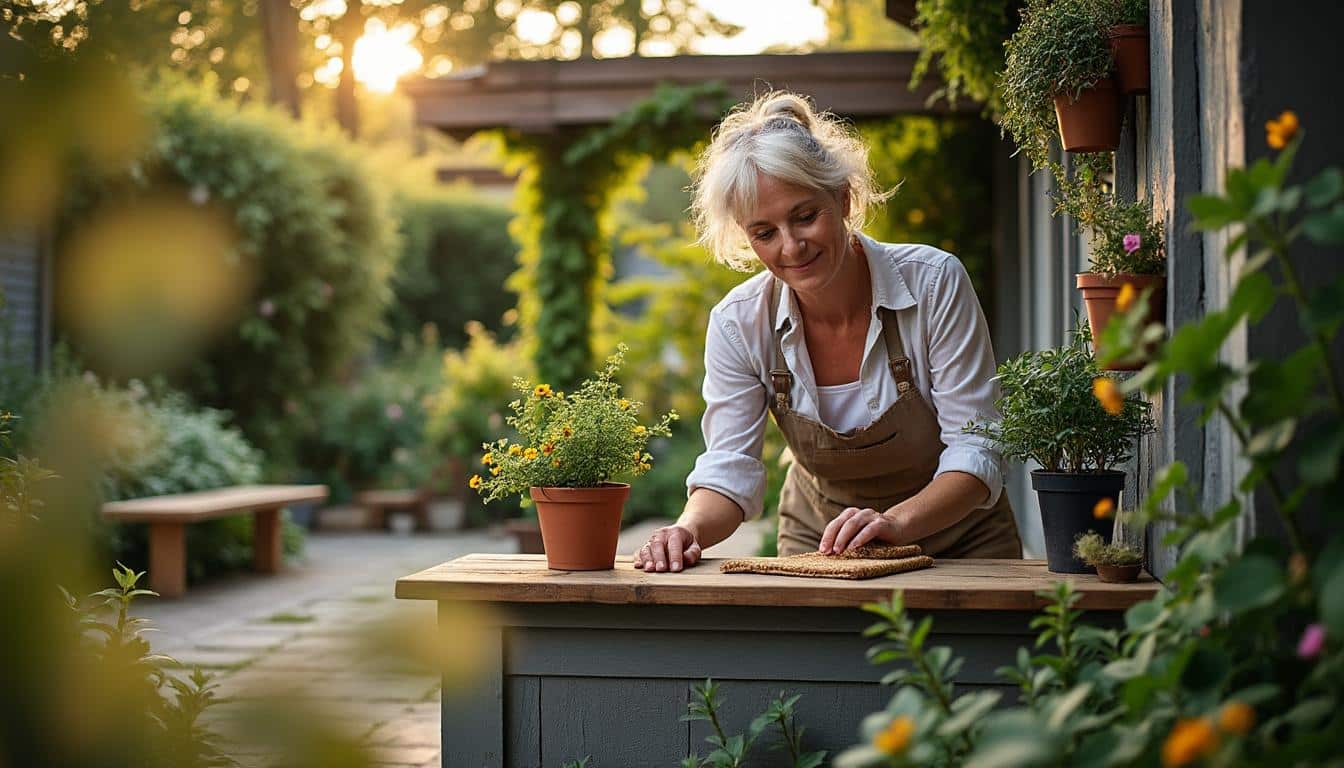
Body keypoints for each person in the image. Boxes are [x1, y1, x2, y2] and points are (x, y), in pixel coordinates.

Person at [632, 91, 1022, 573]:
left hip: (962, 540)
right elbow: (729, 468)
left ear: (843, 198)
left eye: (804, 216)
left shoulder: (933, 282)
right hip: (824, 544)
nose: (791, 247)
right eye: (764, 232)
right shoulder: (738, 323)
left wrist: (895, 524)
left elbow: (977, 443)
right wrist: (686, 531)